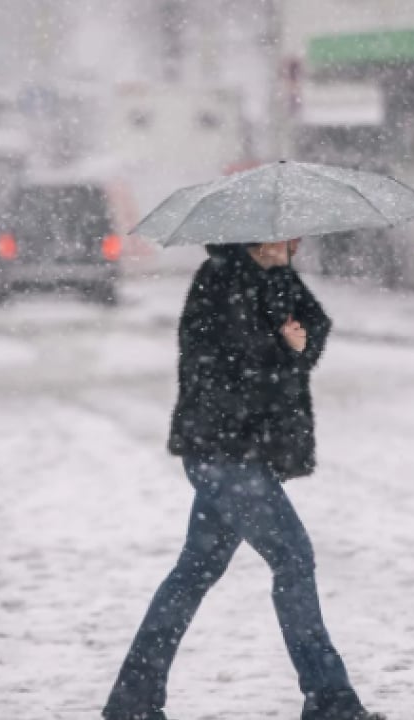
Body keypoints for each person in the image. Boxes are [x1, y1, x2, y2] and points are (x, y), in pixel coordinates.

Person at [103, 240, 384, 720]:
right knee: (293, 558)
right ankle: (330, 700)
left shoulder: (278, 277)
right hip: (224, 453)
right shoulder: (219, 283)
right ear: (256, 238)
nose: (295, 244)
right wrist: (284, 348)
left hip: (243, 455)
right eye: (285, 236)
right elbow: (229, 371)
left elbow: (314, 325)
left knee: (194, 572)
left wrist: (299, 343)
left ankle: (133, 701)